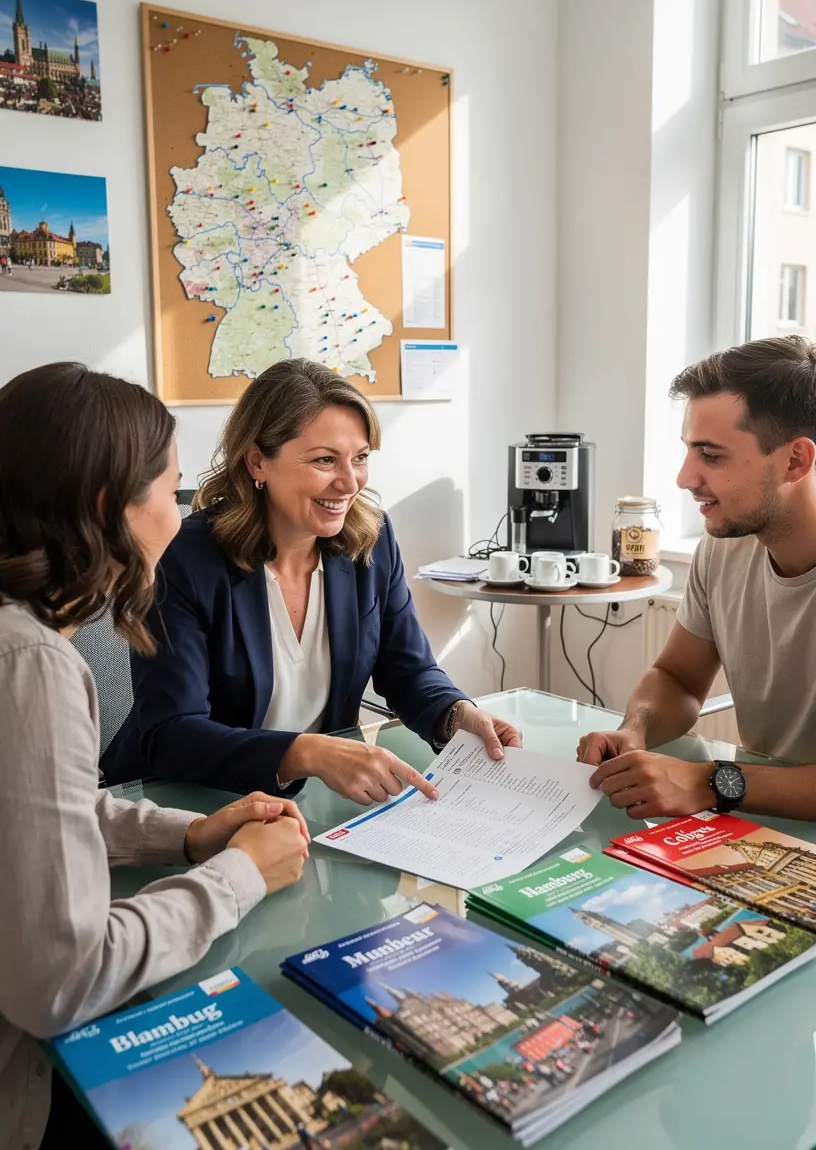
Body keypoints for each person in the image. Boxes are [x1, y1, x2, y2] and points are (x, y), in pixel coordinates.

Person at [0, 363, 311, 1150]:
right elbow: (61, 984)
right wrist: (241, 875)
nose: (180, 516)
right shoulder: (31, 664)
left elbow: (39, 805)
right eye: (170, 492)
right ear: (109, 508)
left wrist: (187, 835)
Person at [102, 359, 521, 802]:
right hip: (178, 802)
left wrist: (458, 714)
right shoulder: (184, 556)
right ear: (258, 462)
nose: (349, 483)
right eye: (324, 460)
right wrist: (309, 753)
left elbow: (408, 670)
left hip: (311, 801)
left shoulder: (372, 541)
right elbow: (172, 733)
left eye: (359, 459)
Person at [578, 334, 816, 821]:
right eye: (689, 450)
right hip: (759, 824)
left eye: (711, 455)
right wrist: (636, 728)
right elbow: (678, 678)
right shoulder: (722, 549)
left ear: (795, 461)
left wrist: (710, 782)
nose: (685, 478)